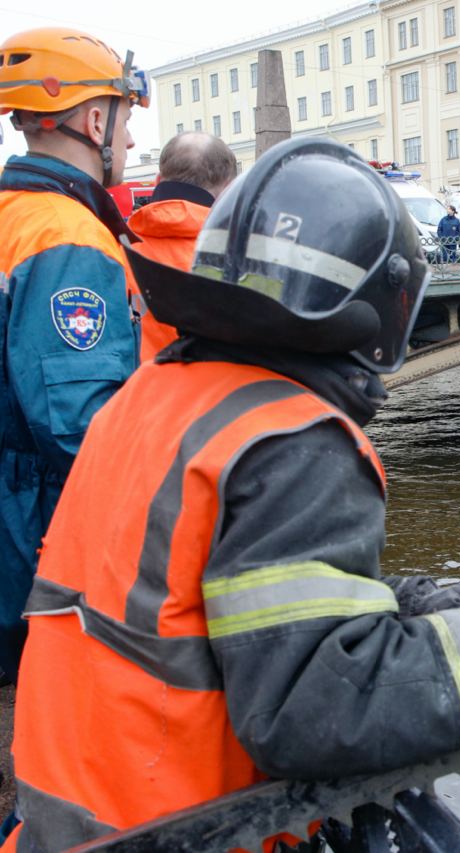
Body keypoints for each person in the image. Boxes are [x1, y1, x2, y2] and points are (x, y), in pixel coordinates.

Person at [3, 138, 460, 851]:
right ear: (383, 307)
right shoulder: (289, 438)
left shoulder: (153, 398)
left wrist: (422, 604)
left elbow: (220, 602)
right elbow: (317, 704)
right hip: (186, 833)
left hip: (71, 820)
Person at [0, 27, 149, 685]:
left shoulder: (13, 215)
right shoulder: (67, 237)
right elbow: (80, 426)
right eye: (123, 123)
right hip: (29, 549)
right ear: (94, 118)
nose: (131, 142)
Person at [129, 132, 238, 360]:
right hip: (211, 393)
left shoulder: (114, 246)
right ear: (229, 189)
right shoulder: (236, 259)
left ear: (158, 181)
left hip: (133, 391)